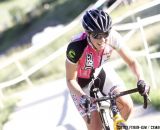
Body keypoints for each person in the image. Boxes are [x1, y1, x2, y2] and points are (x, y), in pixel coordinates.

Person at [65, 9, 150, 130]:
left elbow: (132, 62)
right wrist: (83, 97)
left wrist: (141, 80)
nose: (102, 40)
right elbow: (70, 80)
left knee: (127, 105)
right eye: (97, 36)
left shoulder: (113, 38)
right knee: (96, 127)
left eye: (105, 34)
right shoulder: (76, 47)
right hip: (80, 84)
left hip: (101, 72)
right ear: (88, 33)